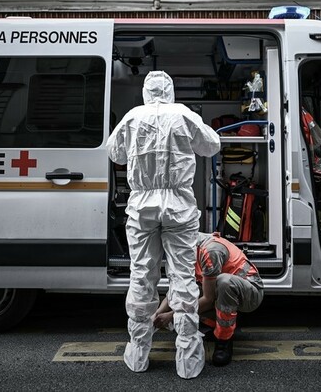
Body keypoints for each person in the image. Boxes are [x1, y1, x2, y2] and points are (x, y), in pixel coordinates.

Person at [106, 71, 221, 379]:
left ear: (146, 91)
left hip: (142, 205)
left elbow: (114, 152)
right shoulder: (183, 114)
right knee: (182, 276)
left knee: (142, 274)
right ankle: (187, 360)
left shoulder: (132, 117)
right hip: (179, 206)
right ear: (169, 91)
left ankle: (139, 353)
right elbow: (211, 146)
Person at [152, 231, 264, 367]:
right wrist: (159, 311)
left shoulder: (210, 251)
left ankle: (224, 341)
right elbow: (177, 289)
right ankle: (215, 325)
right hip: (223, 293)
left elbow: (208, 299)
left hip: (250, 294)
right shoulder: (187, 250)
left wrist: (172, 315)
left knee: (224, 282)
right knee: (188, 294)